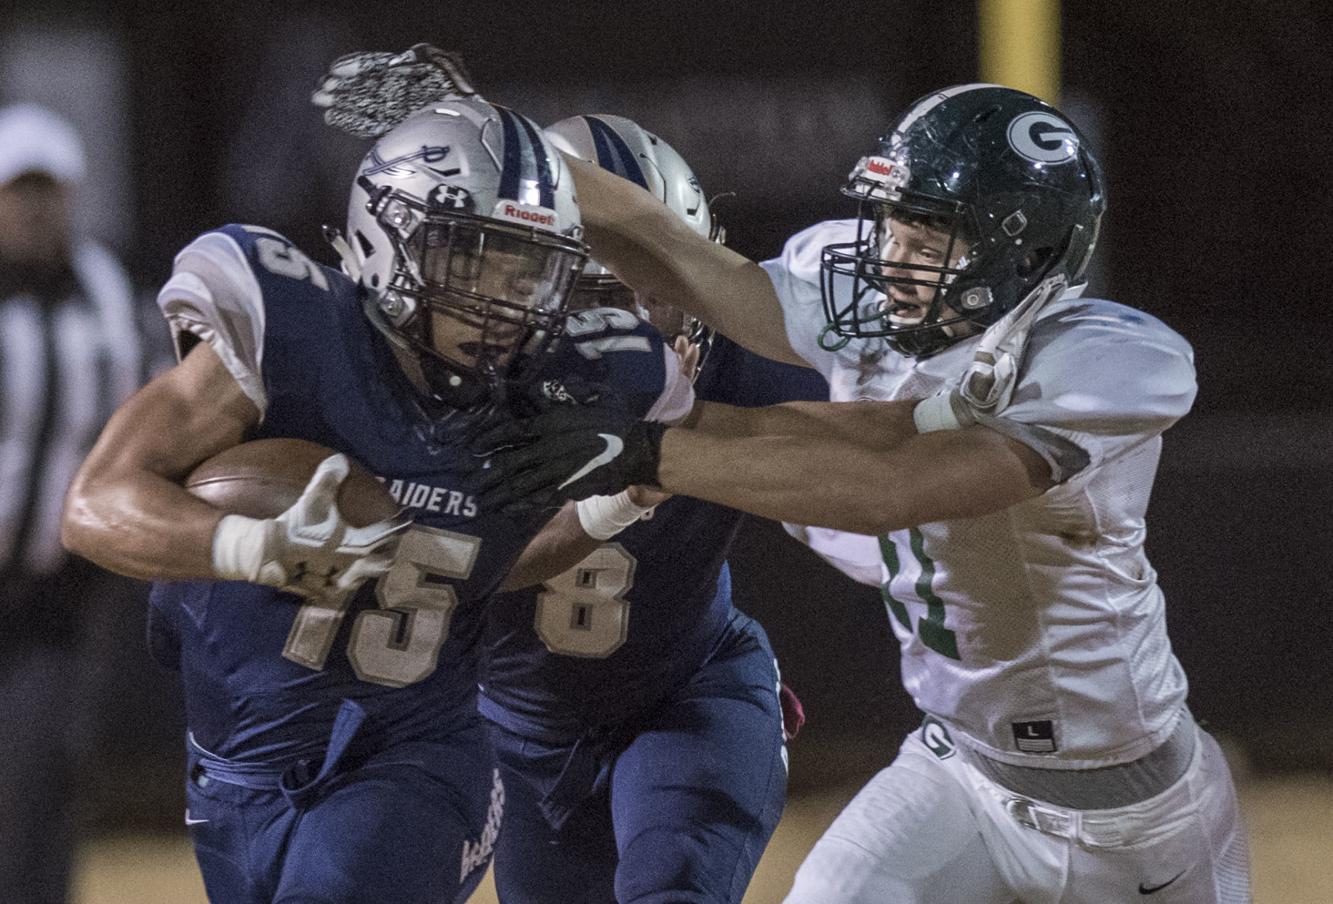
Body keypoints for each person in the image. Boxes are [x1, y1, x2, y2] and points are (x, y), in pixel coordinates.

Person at [474, 84, 1252, 902]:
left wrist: (647, 452)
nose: (890, 252)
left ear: (1022, 256)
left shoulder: (1105, 358)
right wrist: (487, 132)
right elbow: (686, 258)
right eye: (890, 218)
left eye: (930, 231)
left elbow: (895, 482)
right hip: (958, 771)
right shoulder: (877, 304)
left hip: (1127, 812)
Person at [62, 96, 694, 904]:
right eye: (475, 260)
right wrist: (252, 548)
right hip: (235, 777)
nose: (505, 301)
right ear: (383, 234)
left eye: (528, 269)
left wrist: (614, 506)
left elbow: (479, 563)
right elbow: (92, 504)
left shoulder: (554, 388)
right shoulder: (293, 332)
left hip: (415, 766)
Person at [472, 113, 828, 904]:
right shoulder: (464, 377)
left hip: (688, 692)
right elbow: (464, 561)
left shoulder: (747, 362)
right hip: (516, 734)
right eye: (603, 293)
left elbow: (879, 446)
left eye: (664, 286)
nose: (640, 320)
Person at [0, 102, 145, 904]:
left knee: (38, 785)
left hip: (53, 595)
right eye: (18, 190)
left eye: (48, 191)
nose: (34, 207)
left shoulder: (109, 296)